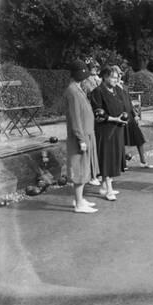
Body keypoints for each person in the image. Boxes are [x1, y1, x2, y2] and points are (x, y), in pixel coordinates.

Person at [63, 60, 100, 213]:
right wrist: (81, 139)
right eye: (83, 75)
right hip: (81, 135)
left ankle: (80, 199)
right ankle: (79, 204)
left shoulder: (77, 89)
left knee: (85, 167)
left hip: (87, 133)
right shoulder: (72, 91)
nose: (86, 78)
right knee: (79, 168)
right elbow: (75, 117)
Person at [90, 66, 128, 201]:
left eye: (117, 77)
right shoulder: (97, 92)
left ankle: (105, 186)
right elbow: (98, 114)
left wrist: (124, 116)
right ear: (105, 77)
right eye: (113, 77)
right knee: (106, 158)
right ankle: (108, 190)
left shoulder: (117, 90)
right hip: (105, 130)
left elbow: (123, 106)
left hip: (117, 128)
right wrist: (113, 119)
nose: (116, 79)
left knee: (114, 158)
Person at [113, 67, 153, 169]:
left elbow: (129, 102)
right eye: (117, 74)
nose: (119, 76)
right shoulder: (113, 88)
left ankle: (143, 161)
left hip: (131, 117)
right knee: (122, 141)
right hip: (122, 117)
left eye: (120, 74)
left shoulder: (124, 87)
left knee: (139, 139)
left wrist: (135, 114)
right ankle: (123, 163)